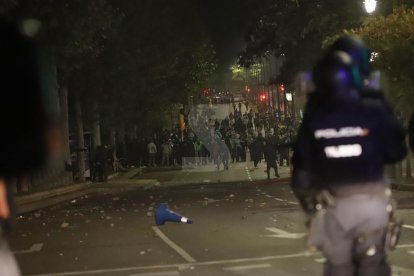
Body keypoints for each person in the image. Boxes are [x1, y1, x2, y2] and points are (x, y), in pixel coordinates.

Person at [292, 48, 406, 276]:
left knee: (338, 268)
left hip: (336, 208)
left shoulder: (315, 119)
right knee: (374, 266)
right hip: (373, 206)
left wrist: (310, 207)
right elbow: (397, 151)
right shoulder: (372, 110)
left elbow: (301, 177)